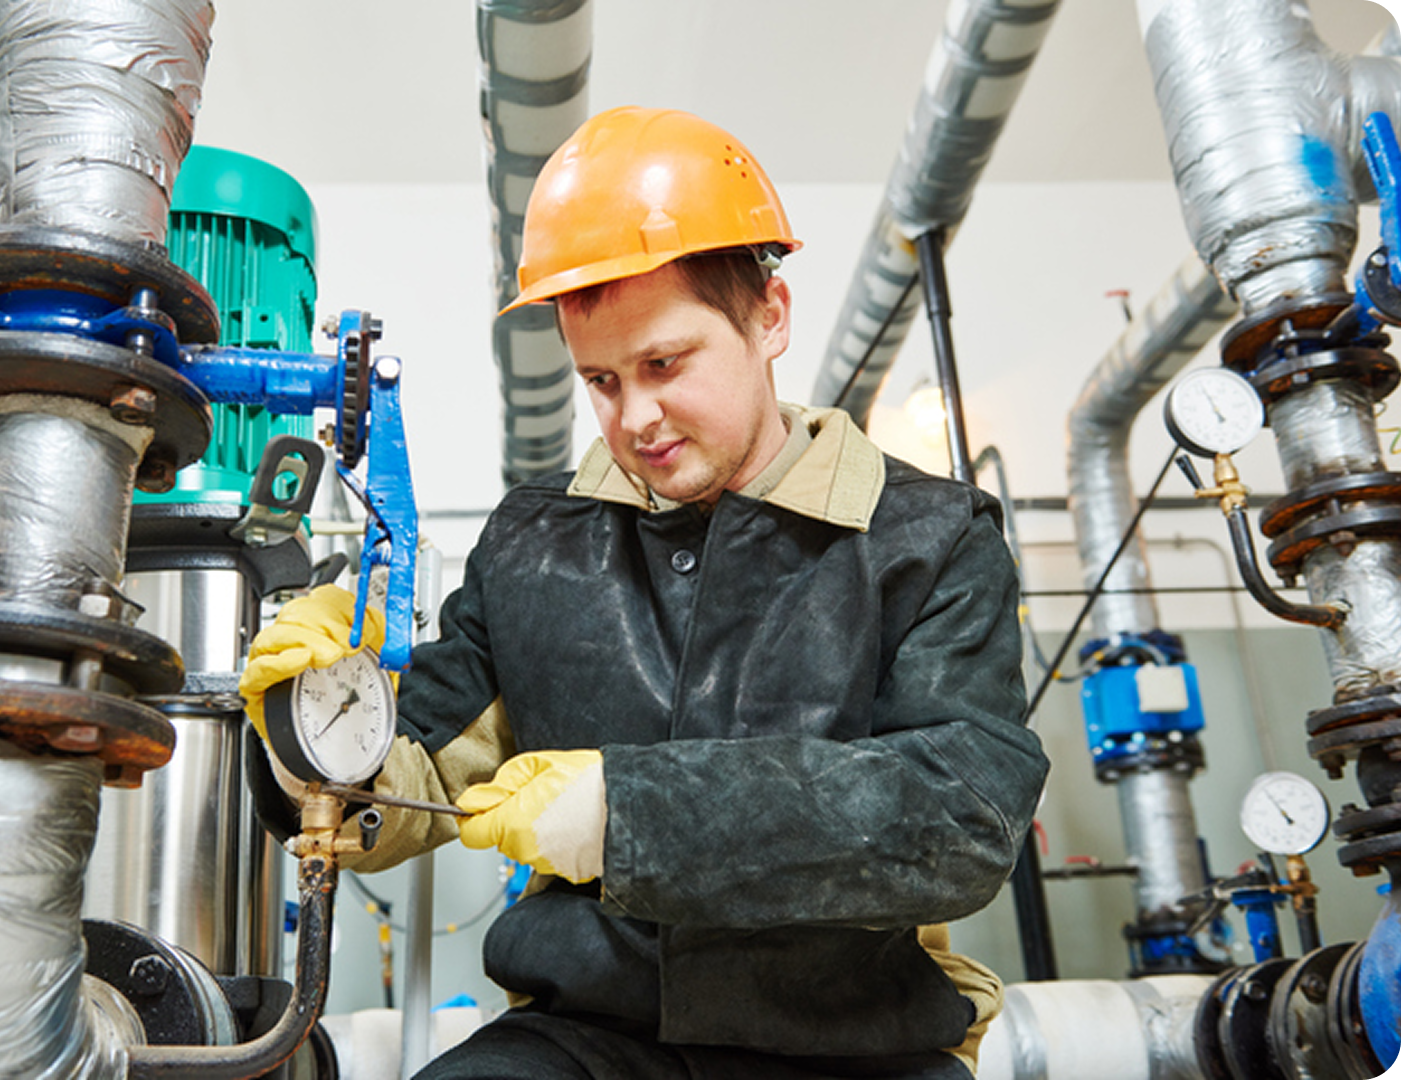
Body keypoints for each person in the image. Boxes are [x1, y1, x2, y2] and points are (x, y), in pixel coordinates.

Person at [240, 105, 1049, 1080]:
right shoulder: (539, 544)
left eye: (665, 364)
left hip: (855, 1047)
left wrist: (631, 815)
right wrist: (314, 727)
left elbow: (962, 817)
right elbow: (412, 779)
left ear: (769, 317)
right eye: (602, 380)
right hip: (583, 1041)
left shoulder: (926, 539)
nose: (636, 417)